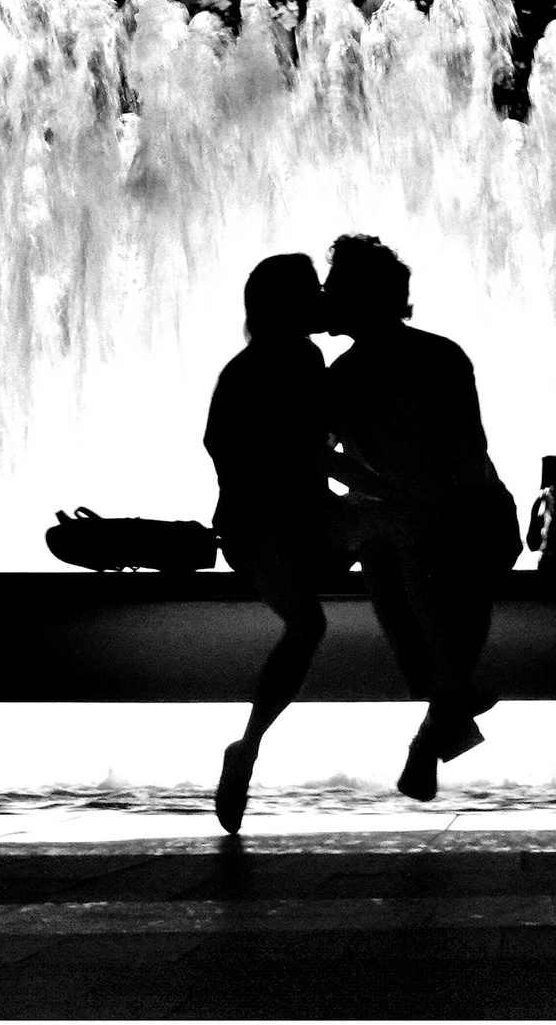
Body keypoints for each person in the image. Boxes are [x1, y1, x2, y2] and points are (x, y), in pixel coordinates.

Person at [323, 233, 508, 802]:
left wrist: (377, 493)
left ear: (363, 298)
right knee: (398, 554)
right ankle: (447, 709)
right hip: (426, 519)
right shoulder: (351, 372)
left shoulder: (404, 364)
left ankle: (439, 720)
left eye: (335, 288)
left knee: (411, 556)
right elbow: (315, 454)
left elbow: (462, 462)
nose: (325, 296)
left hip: (466, 512)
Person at [203, 253, 341, 835]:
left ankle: (446, 689)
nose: (322, 297)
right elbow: (298, 452)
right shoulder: (279, 365)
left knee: (396, 538)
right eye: (311, 290)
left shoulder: (279, 362)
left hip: (287, 523)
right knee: (308, 624)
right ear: (287, 304)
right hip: (259, 532)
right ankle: (248, 746)